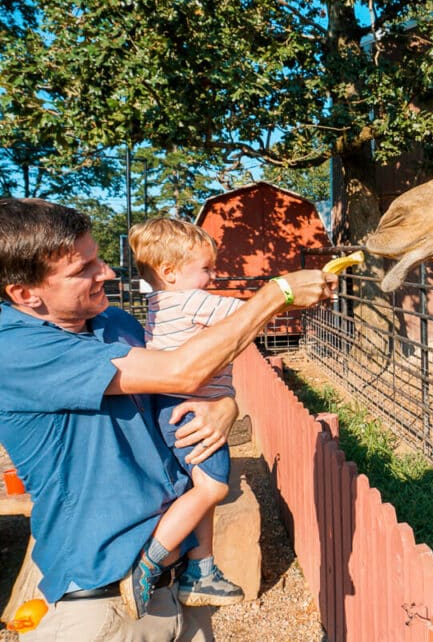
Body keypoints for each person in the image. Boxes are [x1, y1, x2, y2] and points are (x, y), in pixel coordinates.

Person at [0, 198, 335, 640]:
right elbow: (182, 370)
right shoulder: (15, 351)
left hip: (176, 585)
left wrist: (225, 405)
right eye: (84, 269)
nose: (108, 273)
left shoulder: (113, 322)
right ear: (26, 294)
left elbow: (187, 371)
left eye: (98, 258)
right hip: (101, 606)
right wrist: (277, 295)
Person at [125, 217, 245, 613]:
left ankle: (201, 571)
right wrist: (291, 292)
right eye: (206, 268)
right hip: (191, 409)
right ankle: (149, 560)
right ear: (170, 272)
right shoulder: (191, 300)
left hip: (171, 407)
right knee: (213, 489)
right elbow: (250, 315)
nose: (213, 276)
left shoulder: (160, 301)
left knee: (200, 488)